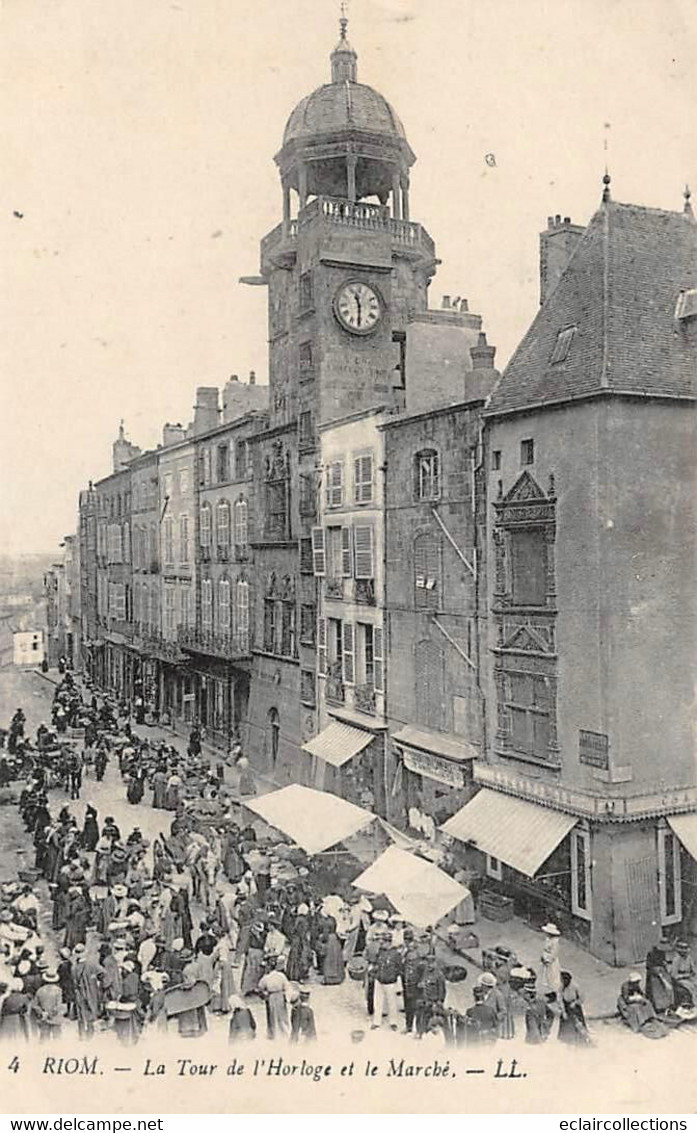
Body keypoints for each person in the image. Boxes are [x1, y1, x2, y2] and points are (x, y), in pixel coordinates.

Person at [618, 973, 666, 1039]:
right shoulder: (625, 986)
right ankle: (640, 1022)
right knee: (636, 1008)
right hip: (626, 1001)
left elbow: (640, 992)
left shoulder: (636, 985)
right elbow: (626, 999)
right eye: (636, 982)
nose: (637, 983)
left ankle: (650, 1017)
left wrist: (644, 998)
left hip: (634, 998)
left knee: (647, 1003)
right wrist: (637, 999)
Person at [372, 931, 403, 1031]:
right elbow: (376, 963)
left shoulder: (395, 954)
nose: (382, 943)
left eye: (384, 941)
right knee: (378, 1002)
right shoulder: (380, 951)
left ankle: (393, 1022)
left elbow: (399, 968)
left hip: (390, 982)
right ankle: (376, 1022)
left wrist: (394, 977)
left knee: (392, 1003)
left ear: (389, 942)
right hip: (379, 980)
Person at [258, 957, 290, 1039]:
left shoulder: (266, 977)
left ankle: (272, 1034)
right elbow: (287, 986)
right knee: (282, 1015)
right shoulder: (281, 976)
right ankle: (285, 1032)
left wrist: (264, 995)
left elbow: (260, 987)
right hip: (280, 995)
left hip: (271, 996)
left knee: (272, 1016)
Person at [558, 970, 591, 1044]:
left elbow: (582, 997)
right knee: (566, 1025)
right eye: (562, 980)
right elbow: (560, 999)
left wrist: (575, 1003)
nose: (564, 982)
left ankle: (582, 1040)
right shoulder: (561, 987)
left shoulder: (575, 986)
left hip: (575, 1008)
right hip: (566, 1007)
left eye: (565, 980)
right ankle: (567, 1041)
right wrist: (563, 1011)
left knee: (578, 1025)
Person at [31, 968, 65, 1040]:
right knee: (57, 1038)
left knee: (44, 1038)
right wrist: (52, 1013)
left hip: (44, 1018)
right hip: (55, 1017)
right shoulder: (58, 990)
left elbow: (35, 1005)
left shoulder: (40, 990)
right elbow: (58, 1005)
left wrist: (42, 1012)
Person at [645, 938, 675, 1014]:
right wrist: (661, 977)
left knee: (669, 984)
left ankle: (668, 1005)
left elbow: (662, 961)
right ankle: (659, 1007)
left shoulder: (662, 953)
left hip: (661, 970)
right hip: (653, 972)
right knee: (657, 988)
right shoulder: (651, 954)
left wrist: (665, 964)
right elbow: (650, 966)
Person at [669, 941, 697, 1010]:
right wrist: (684, 976)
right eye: (682, 949)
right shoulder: (676, 959)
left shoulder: (689, 958)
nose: (684, 951)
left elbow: (694, 970)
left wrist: (693, 974)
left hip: (689, 977)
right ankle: (694, 1005)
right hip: (680, 980)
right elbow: (673, 975)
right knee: (691, 987)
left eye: (686, 949)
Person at [538, 923, 562, 999]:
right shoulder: (547, 939)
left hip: (551, 963)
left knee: (553, 978)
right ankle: (550, 992)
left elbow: (554, 953)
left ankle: (554, 994)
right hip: (545, 959)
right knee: (547, 977)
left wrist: (548, 960)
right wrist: (543, 957)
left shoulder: (555, 942)